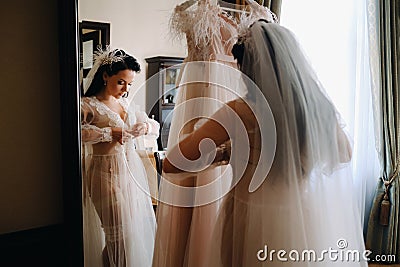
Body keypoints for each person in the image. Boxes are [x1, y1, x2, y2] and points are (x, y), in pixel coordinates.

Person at [162, 19, 367, 266]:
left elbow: (173, 163)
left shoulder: (240, 111)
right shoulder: (318, 109)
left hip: (247, 219)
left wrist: (223, 154)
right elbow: (344, 154)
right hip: (298, 217)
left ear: (249, 68)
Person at [81, 48, 159, 267]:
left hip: (129, 177)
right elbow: (77, 133)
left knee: (126, 239)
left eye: (129, 84)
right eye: (121, 82)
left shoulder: (124, 103)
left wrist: (144, 126)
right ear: (105, 76)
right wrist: (109, 133)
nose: (125, 89)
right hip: (104, 175)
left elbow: (155, 126)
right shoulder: (87, 105)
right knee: (120, 239)